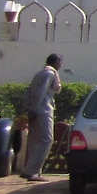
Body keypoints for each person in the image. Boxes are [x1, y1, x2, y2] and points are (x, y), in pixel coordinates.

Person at [20, 53, 63, 181]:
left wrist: (29, 108)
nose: (61, 65)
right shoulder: (50, 74)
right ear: (56, 62)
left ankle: (34, 172)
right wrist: (34, 109)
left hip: (34, 110)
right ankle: (31, 171)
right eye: (60, 62)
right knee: (47, 139)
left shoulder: (40, 73)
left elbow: (29, 91)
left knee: (35, 141)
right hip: (43, 110)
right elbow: (41, 92)